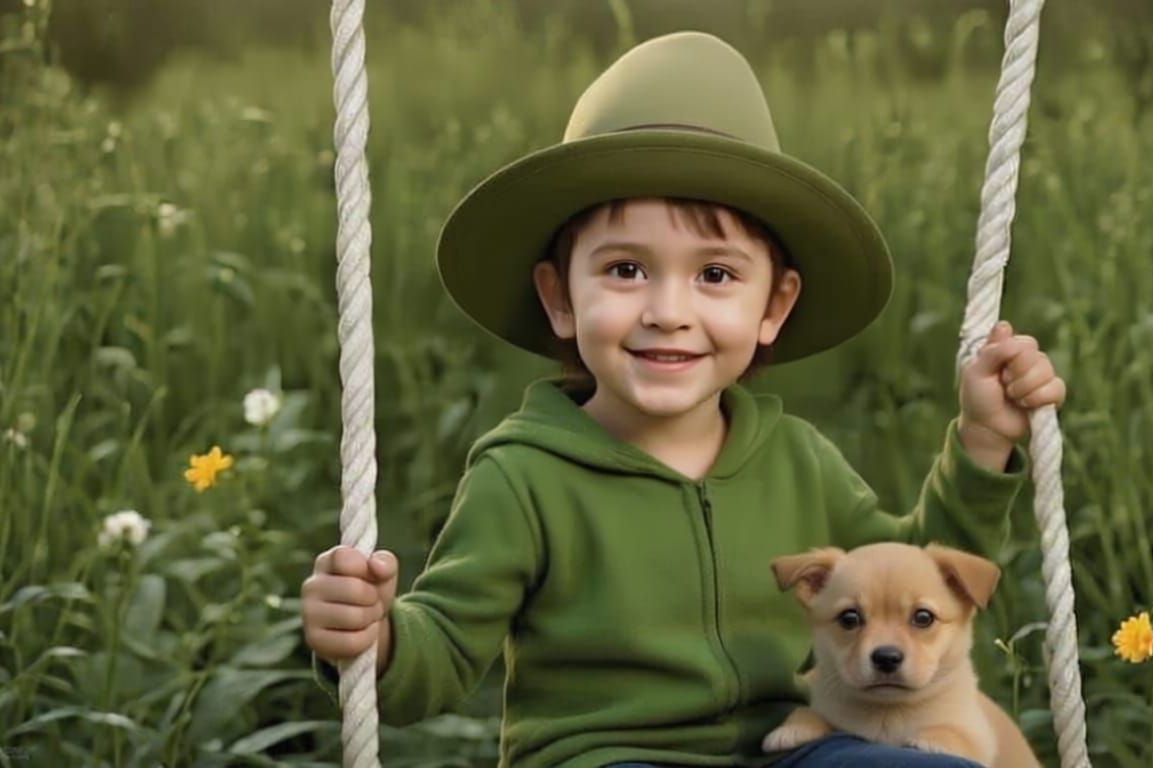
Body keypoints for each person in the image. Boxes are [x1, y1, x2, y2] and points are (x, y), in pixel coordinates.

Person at [302, 31, 1066, 768]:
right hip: (604, 758)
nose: (669, 309)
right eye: (627, 270)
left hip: (788, 746)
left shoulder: (798, 459)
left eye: (716, 275)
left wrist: (980, 443)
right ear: (558, 297)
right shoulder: (522, 476)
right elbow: (440, 649)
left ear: (775, 306)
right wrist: (376, 640)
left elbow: (915, 584)